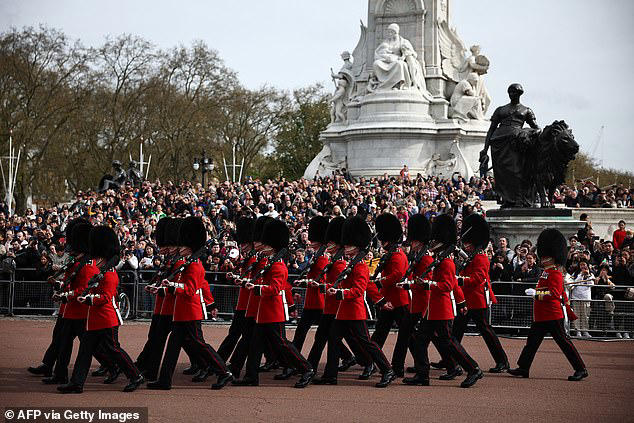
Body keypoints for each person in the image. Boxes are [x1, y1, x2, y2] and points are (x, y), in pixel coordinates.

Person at [147, 217, 233, 390]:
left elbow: (190, 289)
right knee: (172, 348)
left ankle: (224, 372)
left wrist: (172, 286)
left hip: (190, 313)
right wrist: (164, 288)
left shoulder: (195, 265)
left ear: (189, 246)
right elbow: (178, 286)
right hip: (181, 312)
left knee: (200, 344)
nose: (179, 248)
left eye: (182, 246)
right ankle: (164, 380)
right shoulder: (186, 263)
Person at [57, 226, 144, 393]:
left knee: (114, 349)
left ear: (103, 257)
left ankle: (135, 375)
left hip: (107, 319)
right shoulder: (100, 272)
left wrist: (88, 299)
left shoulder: (110, 274)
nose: (94, 259)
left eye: (97, 257)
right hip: (95, 320)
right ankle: (76, 383)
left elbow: (105, 297)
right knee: (85, 351)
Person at [313, 216, 396, 388]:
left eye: (349, 245)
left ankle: (387, 369)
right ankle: (330, 375)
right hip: (343, 311)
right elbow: (342, 284)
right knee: (333, 340)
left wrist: (340, 293)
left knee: (367, 342)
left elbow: (359, 290)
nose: (346, 247)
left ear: (357, 246)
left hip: (354, 311)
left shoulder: (361, 266)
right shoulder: (352, 264)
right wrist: (326, 287)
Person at [404, 214, 483, 388]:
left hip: (442, 310)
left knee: (449, 343)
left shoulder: (447, 262)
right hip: (431, 310)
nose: (432, 243)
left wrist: (428, 284)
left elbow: (447, 285)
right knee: (420, 341)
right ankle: (422, 375)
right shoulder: (440, 260)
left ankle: (473, 368)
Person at [233, 219, 314, 388]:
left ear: (272, 245)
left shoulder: (278, 265)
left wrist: (256, 288)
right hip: (263, 312)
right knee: (255, 345)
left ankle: (306, 369)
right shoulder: (269, 262)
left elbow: (275, 288)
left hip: (272, 312)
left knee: (282, 344)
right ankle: (251, 377)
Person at [508, 228, 588, 381]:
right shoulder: (546, 272)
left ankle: (581, 368)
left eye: (545, 257)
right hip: (541, 315)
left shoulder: (555, 274)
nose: (542, 259)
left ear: (552, 258)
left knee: (564, 342)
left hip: (552, 315)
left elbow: (554, 294)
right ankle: (523, 367)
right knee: (531, 343)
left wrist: (536, 294)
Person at [27, 218, 88, 379]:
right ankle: (52, 367)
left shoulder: (85, 263)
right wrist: (59, 286)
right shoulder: (75, 260)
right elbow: (69, 282)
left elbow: (82, 287)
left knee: (96, 346)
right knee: (60, 339)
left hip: (79, 309)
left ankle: (113, 365)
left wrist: (65, 293)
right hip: (67, 308)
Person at [452, 214, 509, 372]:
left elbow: (477, 278)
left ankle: (502, 361)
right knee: (455, 331)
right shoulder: (472, 256)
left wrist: (459, 280)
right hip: (467, 299)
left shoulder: (481, 257)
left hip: (477, 300)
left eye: (468, 243)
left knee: (486, 331)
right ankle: (450, 359)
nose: (466, 246)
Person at [276, 216, 330, 380]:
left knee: (326, 335)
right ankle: (294, 364)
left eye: (313, 240)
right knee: (301, 334)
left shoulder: (322, 258)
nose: (310, 243)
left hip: (320, 303)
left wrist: (307, 282)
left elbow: (323, 280)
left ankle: (297, 365)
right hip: (311, 303)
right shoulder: (315, 256)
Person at [305, 217, 359, 375]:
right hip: (329, 306)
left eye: (330, 243)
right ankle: (312, 368)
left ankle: (367, 361)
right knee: (324, 337)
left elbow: (340, 285)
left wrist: (322, 286)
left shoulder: (340, 263)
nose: (327, 244)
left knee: (355, 339)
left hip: (337, 306)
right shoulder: (332, 261)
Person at [480, 83, 540, 208]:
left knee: (516, 171)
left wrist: (528, 133)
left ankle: (519, 199)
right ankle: (508, 199)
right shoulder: (501, 109)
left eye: (514, 92)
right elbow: (491, 129)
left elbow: (536, 128)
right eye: (510, 92)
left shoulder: (526, 110)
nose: (512, 94)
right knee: (502, 173)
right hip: (498, 143)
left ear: (519, 94)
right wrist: (485, 149)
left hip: (516, 143)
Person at [369, 213, 410, 378]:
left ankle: (399, 366)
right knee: (379, 334)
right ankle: (372, 361)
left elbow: (397, 275)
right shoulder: (390, 254)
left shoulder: (398, 255)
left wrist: (379, 283)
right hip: (389, 300)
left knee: (408, 337)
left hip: (398, 301)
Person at [217, 217, 257, 363]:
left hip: (250, 303)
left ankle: (225, 363)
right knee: (237, 334)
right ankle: (221, 362)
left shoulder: (254, 259)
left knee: (247, 336)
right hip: (243, 302)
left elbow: (254, 279)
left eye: (245, 243)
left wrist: (241, 279)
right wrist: (234, 275)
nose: (242, 246)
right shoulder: (247, 258)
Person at [570, 260, 594, 338]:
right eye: (581, 265)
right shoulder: (575, 274)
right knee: (577, 315)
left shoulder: (591, 274)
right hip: (576, 297)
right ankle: (578, 331)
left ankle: (585, 331)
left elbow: (591, 285)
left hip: (585, 298)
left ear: (587, 265)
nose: (583, 266)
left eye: (584, 264)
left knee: (585, 315)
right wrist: (580, 275)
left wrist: (587, 276)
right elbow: (573, 284)